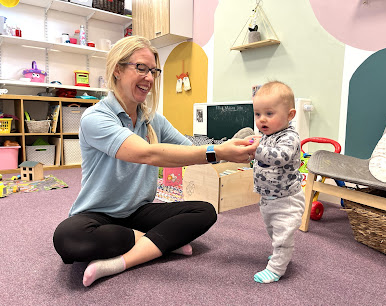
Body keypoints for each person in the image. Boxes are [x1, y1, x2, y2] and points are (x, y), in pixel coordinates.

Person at [53, 35, 259, 287]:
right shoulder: (95, 118)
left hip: (139, 211)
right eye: (141, 68)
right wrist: (218, 151)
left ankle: (122, 259)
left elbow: (190, 148)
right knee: (68, 238)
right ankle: (157, 242)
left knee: (204, 211)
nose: (149, 78)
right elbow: (147, 153)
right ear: (117, 69)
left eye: (153, 71)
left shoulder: (154, 120)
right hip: (98, 215)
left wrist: (231, 146)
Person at [251, 81, 305, 283]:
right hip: (268, 198)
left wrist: (255, 150)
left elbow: (280, 156)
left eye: (269, 114)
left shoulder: (290, 137)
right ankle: (281, 254)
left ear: (290, 115)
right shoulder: (265, 136)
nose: (261, 120)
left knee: (283, 236)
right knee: (273, 231)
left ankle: (276, 268)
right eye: (258, 114)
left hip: (287, 200)